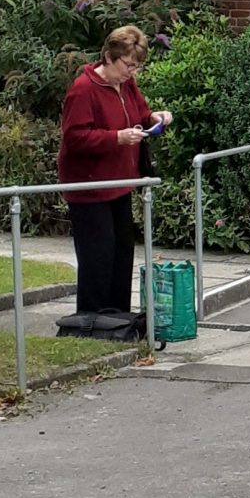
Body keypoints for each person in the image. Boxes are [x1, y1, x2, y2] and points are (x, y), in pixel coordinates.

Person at [58, 25, 171, 317]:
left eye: (137, 67)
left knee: (122, 253)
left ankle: (117, 319)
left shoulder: (128, 84)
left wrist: (155, 118)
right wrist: (116, 138)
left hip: (121, 182)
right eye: (128, 65)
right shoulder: (83, 90)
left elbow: (140, 114)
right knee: (98, 256)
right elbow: (74, 138)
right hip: (89, 187)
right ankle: (91, 320)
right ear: (109, 56)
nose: (132, 72)